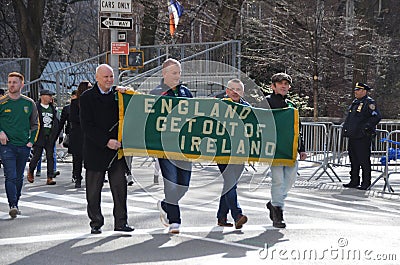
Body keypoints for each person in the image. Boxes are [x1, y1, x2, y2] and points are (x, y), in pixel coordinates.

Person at [80, 64, 134, 234]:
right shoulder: (87, 97)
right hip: (96, 149)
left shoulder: (119, 95)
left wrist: (128, 92)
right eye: (106, 77)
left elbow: (134, 106)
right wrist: (106, 141)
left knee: (120, 189)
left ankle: (121, 222)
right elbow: (86, 126)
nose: (110, 80)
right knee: (93, 192)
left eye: (111, 76)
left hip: (116, 152)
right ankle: (96, 222)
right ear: (97, 78)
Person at [151, 58, 193, 234]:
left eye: (179, 73)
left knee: (184, 184)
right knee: (171, 183)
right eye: (174, 73)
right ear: (164, 74)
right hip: (165, 147)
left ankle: (165, 204)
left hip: (185, 146)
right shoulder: (156, 93)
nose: (177, 76)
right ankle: (175, 221)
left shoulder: (186, 92)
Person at [265, 73, 307, 228]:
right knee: (278, 180)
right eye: (280, 83)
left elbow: (298, 129)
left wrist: (302, 149)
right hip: (274, 150)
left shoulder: (291, 106)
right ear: (273, 86)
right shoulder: (266, 103)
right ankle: (278, 212)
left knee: (289, 181)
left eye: (286, 84)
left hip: (290, 151)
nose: (284, 86)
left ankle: (274, 203)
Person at [0, 72, 38, 218]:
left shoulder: (29, 103)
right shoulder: (2, 102)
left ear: (22, 85)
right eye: (9, 82)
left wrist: (31, 141)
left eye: (14, 82)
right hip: (6, 145)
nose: (11, 85)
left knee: (19, 177)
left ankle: (16, 201)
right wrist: (1, 132)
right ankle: (12, 205)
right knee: (11, 175)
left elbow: (35, 124)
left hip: (23, 145)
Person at [216, 79, 248, 229]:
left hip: (240, 153)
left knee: (229, 184)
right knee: (230, 183)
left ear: (242, 92)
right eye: (232, 89)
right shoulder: (219, 106)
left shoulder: (247, 108)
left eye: (238, 89)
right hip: (223, 153)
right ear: (227, 91)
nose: (235, 92)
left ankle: (221, 216)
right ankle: (237, 215)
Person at [342, 82, 381, 190]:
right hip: (353, 135)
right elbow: (350, 118)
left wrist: (366, 127)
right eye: (355, 90)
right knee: (353, 160)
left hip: (362, 137)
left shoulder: (369, 102)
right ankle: (354, 180)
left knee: (363, 160)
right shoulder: (355, 102)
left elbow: (376, 117)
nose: (356, 92)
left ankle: (365, 182)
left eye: (358, 90)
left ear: (364, 91)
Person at [27, 89, 60, 185]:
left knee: (50, 157)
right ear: (42, 96)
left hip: (50, 136)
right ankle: (31, 170)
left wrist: (55, 135)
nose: (51, 98)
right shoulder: (36, 107)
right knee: (37, 156)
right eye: (48, 95)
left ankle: (50, 177)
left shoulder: (52, 108)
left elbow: (55, 122)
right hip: (39, 135)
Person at [69, 82, 92, 188]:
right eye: (89, 88)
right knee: (77, 158)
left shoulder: (93, 102)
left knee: (90, 157)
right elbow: (73, 117)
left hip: (89, 133)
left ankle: (90, 179)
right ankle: (77, 177)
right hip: (78, 133)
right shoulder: (74, 103)